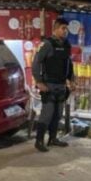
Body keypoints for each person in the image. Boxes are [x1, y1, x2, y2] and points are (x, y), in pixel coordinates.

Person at [31, 17, 75, 152]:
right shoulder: (47, 44)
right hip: (48, 85)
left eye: (66, 29)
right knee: (47, 114)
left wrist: (71, 80)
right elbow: (36, 62)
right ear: (55, 29)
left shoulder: (66, 45)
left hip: (61, 85)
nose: (65, 31)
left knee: (57, 114)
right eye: (63, 28)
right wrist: (39, 81)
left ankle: (52, 138)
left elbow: (69, 64)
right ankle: (39, 141)